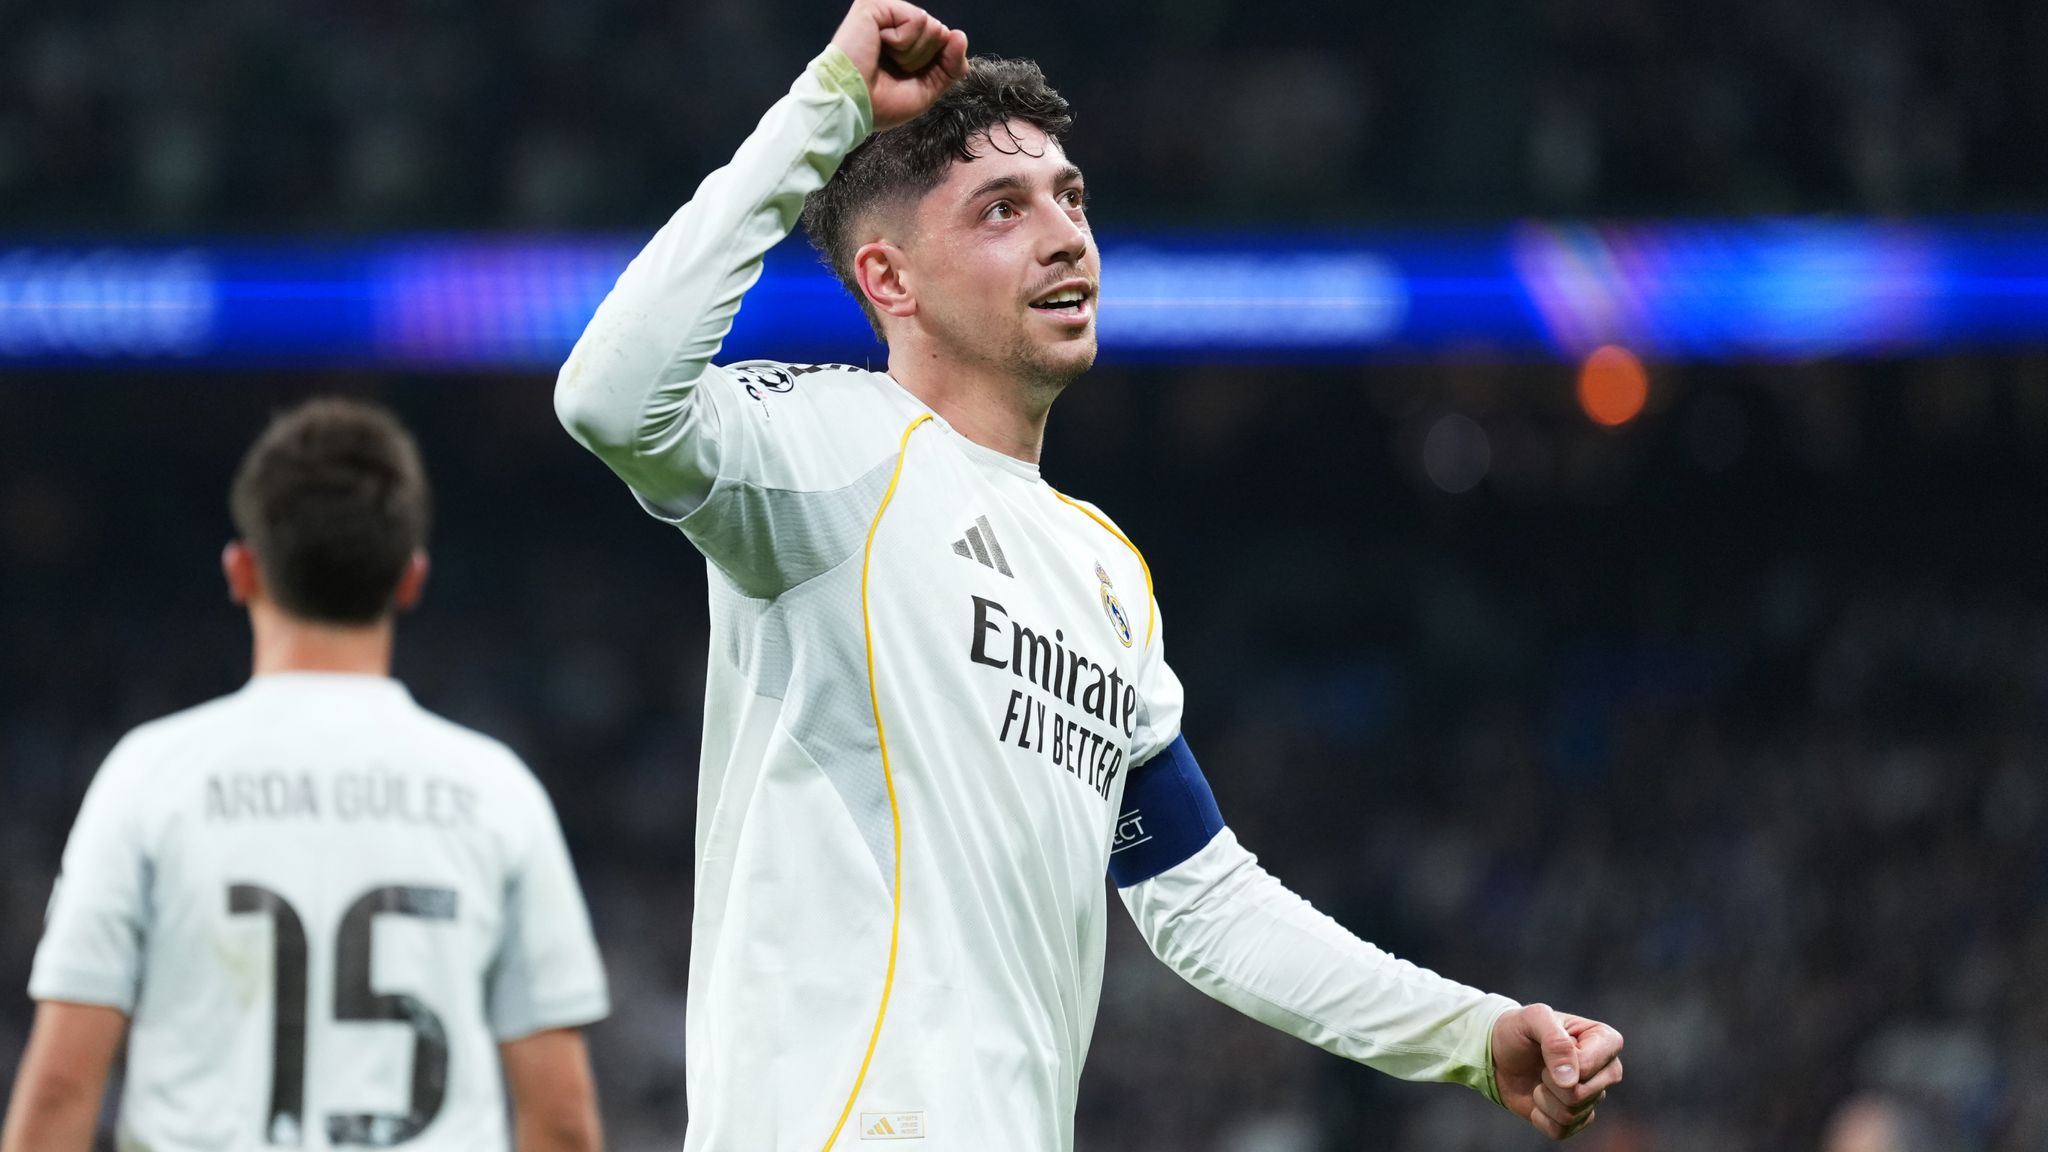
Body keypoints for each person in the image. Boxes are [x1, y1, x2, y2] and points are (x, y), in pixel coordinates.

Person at [553, 1, 1622, 1147]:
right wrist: (826, 106)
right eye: (1000, 210)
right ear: (889, 280)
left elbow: (1202, 900)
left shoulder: (1098, 568)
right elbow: (606, 395)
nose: (1065, 235)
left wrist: (1468, 1034)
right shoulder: (825, 449)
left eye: (1070, 198)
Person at [2, 399, 610, 1152]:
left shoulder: (149, 776)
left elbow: (62, 1089)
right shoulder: (497, 792)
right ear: (411, 578)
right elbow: (561, 1117)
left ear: (241, 570)